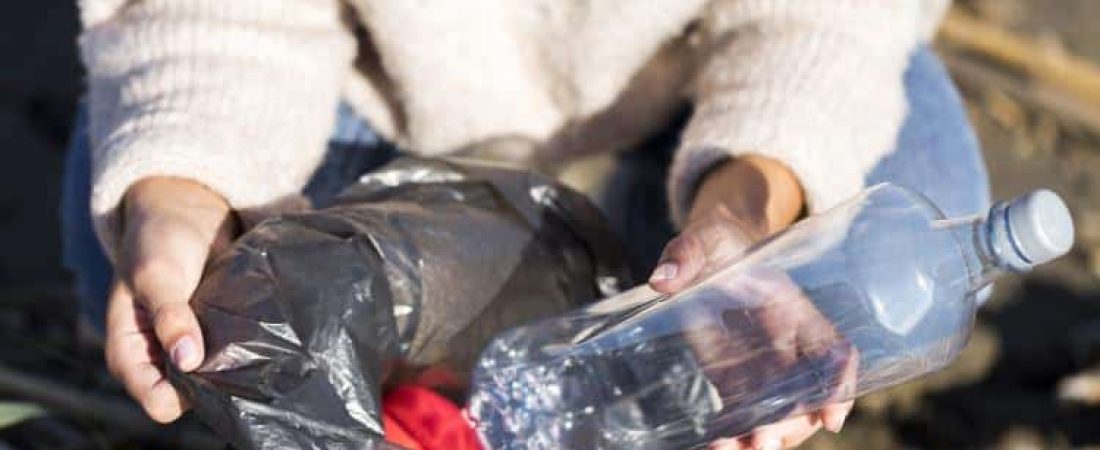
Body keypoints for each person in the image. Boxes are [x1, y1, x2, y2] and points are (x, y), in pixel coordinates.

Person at [62, 1, 990, 449]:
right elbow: (215, 18)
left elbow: (824, 25)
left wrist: (752, 207)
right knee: (161, 272)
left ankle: (640, 232)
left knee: (923, 192)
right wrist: (183, 186)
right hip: (368, 78)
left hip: (683, 69)